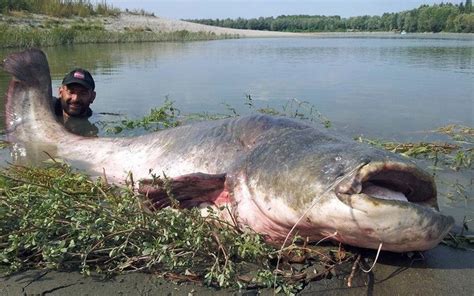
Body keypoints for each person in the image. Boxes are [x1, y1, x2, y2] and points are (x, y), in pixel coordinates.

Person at [55, 68, 99, 137]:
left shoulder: (95, 120)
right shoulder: (47, 108)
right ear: (60, 92)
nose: (75, 98)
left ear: (92, 97)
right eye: (71, 92)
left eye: (83, 93)